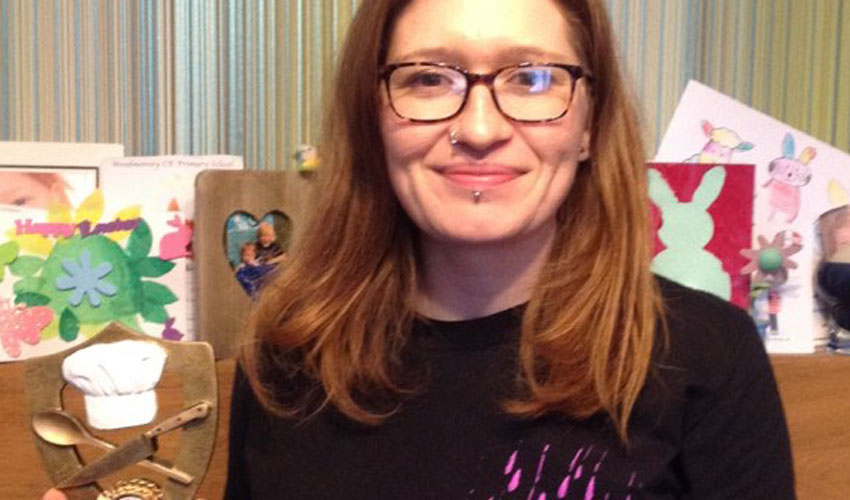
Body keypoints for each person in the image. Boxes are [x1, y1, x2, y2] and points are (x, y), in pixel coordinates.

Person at [45, 0, 794, 499]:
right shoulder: (286, 359)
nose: (479, 128)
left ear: (590, 123)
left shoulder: (705, 357)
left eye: (533, 78)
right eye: (429, 78)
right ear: (372, 117)